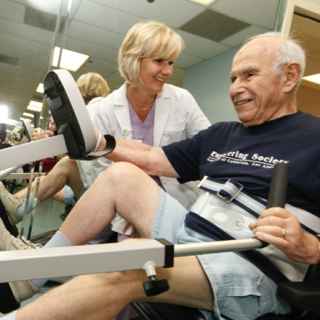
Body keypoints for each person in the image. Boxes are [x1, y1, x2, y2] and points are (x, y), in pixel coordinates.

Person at [1, 32, 320, 320]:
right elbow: (154, 157)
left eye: (249, 75)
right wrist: (100, 142)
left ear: (290, 76)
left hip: (251, 263)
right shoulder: (222, 134)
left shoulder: (314, 138)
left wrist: (309, 247)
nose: (235, 88)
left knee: (128, 261)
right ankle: (30, 275)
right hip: (193, 236)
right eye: (233, 77)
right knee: (121, 175)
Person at [92, 20, 211, 243]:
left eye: (171, 62)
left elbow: (209, 151)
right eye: (158, 61)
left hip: (181, 208)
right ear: (133, 60)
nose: (167, 71)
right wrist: (130, 209)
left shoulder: (182, 100)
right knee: (129, 267)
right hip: (128, 212)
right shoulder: (106, 109)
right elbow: (103, 174)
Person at [0, 72, 110, 229]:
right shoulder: (101, 111)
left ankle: (9, 213)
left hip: (96, 191)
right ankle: (10, 210)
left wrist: (50, 138)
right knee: (42, 181)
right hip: (91, 185)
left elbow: (83, 153)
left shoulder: (92, 111)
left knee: (66, 165)